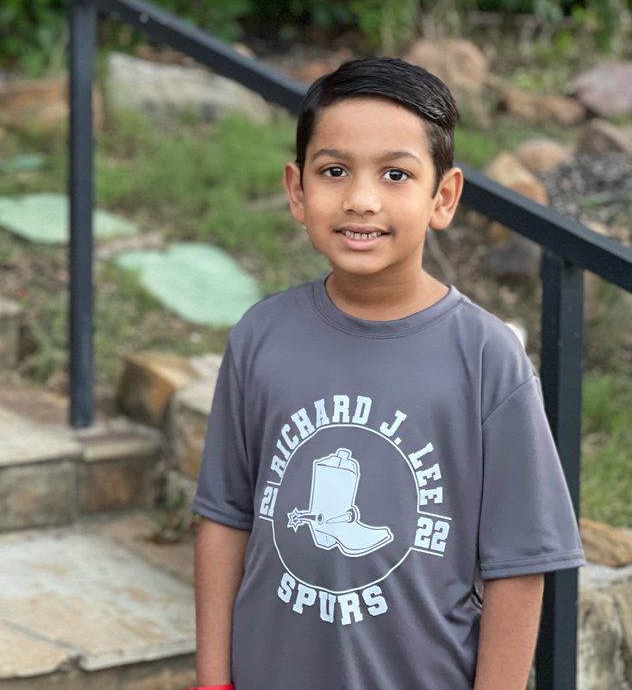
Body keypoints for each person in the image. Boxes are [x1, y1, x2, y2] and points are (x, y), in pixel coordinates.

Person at [191, 57, 584, 690]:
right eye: (335, 171)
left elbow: (519, 567)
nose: (361, 199)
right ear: (297, 190)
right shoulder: (260, 337)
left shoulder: (487, 358)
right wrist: (213, 681)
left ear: (443, 197)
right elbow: (224, 518)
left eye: (396, 174)